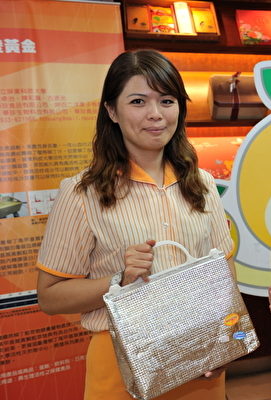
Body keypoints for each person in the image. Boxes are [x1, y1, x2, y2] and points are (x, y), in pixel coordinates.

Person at [36, 49, 234, 400]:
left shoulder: (202, 183)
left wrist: (227, 340)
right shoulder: (82, 193)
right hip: (121, 365)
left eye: (167, 101)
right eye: (138, 101)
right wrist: (119, 279)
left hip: (201, 362)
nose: (155, 114)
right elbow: (50, 297)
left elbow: (224, 271)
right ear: (112, 111)